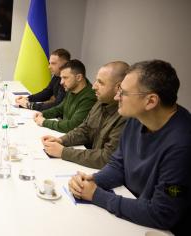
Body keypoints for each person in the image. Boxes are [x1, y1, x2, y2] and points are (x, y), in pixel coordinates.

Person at [68, 60, 190, 235]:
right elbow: (118, 165)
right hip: (133, 208)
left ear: (151, 101)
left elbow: (162, 213)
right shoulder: (136, 118)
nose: (117, 97)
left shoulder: (182, 144)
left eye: (123, 93)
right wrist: (93, 181)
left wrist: (96, 195)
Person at [41, 61, 128, 169]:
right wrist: (61, 140)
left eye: (100, 82)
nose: (94, 86)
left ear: (119, 87)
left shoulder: (125, 115)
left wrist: (64, 152)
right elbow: (85, 129)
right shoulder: (100, 102)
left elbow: (107, 158)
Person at [34, 59, 97, 133]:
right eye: (61, 78)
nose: (61, 82)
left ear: (79, 77)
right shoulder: (72, 89)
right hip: (66, 135)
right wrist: (43, 113)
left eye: (65, 78)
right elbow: (59, 108)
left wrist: (44, 122)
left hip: (77, 141)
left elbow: (71, 126)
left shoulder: (89, 97)